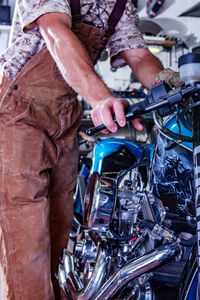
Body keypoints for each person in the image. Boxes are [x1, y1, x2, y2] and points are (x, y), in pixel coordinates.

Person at [0, 0, 181, 299]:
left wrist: (167, 85)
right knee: (27, 238)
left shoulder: (119, 5)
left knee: (60, 231)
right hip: (20, 115)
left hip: (65, 116)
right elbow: (55, 31)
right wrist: (101, 98)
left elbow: (138, 55)